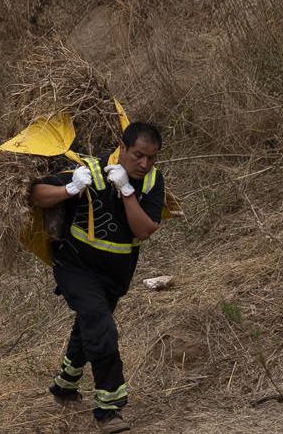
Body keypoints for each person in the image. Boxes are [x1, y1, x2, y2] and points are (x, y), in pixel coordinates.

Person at [27, 122, 168, 433]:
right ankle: (109, 408)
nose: (144, 164)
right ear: (122, 147)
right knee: (100, 325)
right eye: (137, 155)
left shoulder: (151, 182)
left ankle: (65, 385)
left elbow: (144, 230)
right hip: (75, 265)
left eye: (151, 158)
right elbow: (36, 194)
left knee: (90, 325)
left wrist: (127, 192)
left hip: (115, 275)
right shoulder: (89, 169)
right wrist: (71, 188)